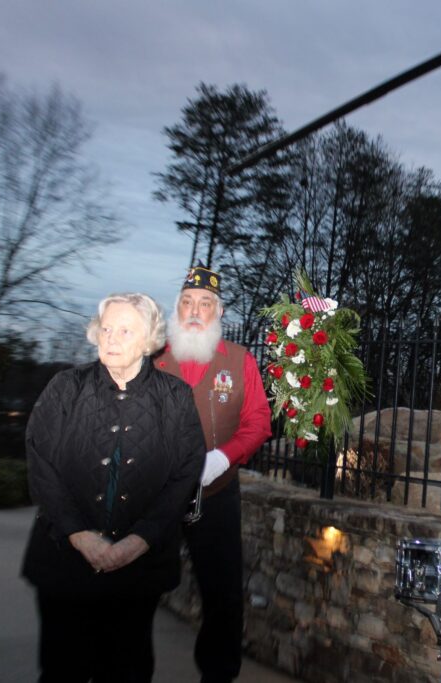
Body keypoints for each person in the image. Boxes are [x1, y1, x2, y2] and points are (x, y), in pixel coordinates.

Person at [22, 292, 206, 682]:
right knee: (62, 668)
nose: (112, 338)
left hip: (137, 573)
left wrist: (139, 540)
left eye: (125, 330)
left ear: (149, 339)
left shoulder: (175, 398)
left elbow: (184, 475)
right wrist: (78, 535)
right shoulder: (65, 388)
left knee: (126, 668)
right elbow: (41, 464)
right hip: (64, 565)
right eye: (106, 328)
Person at [155, 264, 272, 682]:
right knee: (135, 588)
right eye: (187, 302)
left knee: (222, 595)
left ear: (218, 312)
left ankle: (218, 675)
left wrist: (225, 457)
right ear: (177, 309)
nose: (194, 311)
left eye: (205, 304)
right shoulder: (153, 358)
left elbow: (259, 421)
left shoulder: (240, 361)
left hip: (217, 494)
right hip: (156, 496)